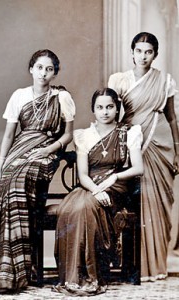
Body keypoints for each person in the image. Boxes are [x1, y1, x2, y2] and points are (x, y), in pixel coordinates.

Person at [0, 49, 75, 294]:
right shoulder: (19, 96)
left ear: (55, 72)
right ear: (31, 69)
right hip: (19, 149)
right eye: (39, 67)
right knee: (8, 183)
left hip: (47, 151)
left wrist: (49, 149)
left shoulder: (61, 97)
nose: (44, 73)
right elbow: (8, 135)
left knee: (22, 180)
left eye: (49, 69)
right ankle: (7, 270)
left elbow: (68, 134)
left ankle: (23, 268)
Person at [53, 87, 143, 296]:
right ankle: (74, 276)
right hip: (91, 187)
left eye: (110, 107)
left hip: (117, 188)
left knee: (84, 206)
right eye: (100, 107)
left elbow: (139, 168)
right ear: (93, 110)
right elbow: (83, 175)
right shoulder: (84, 136)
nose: (105, 112)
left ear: (116, 108)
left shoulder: (129, 133)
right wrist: (95, 190)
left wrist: (114, 177)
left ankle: (91, 275)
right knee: (76, 207)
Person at [108, 32, 179, 282]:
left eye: (148, 52)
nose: (143, 56)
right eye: (139, 51)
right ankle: (133, 266)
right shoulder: (119, 80)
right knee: (132, 204)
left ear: (155, 55)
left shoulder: (165, 81)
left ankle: (156, 265)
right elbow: (113, 117)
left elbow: (171, 118)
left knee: (159, 204)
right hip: (132, 143)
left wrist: (178, 150)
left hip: (160, 145)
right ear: (132, 52)